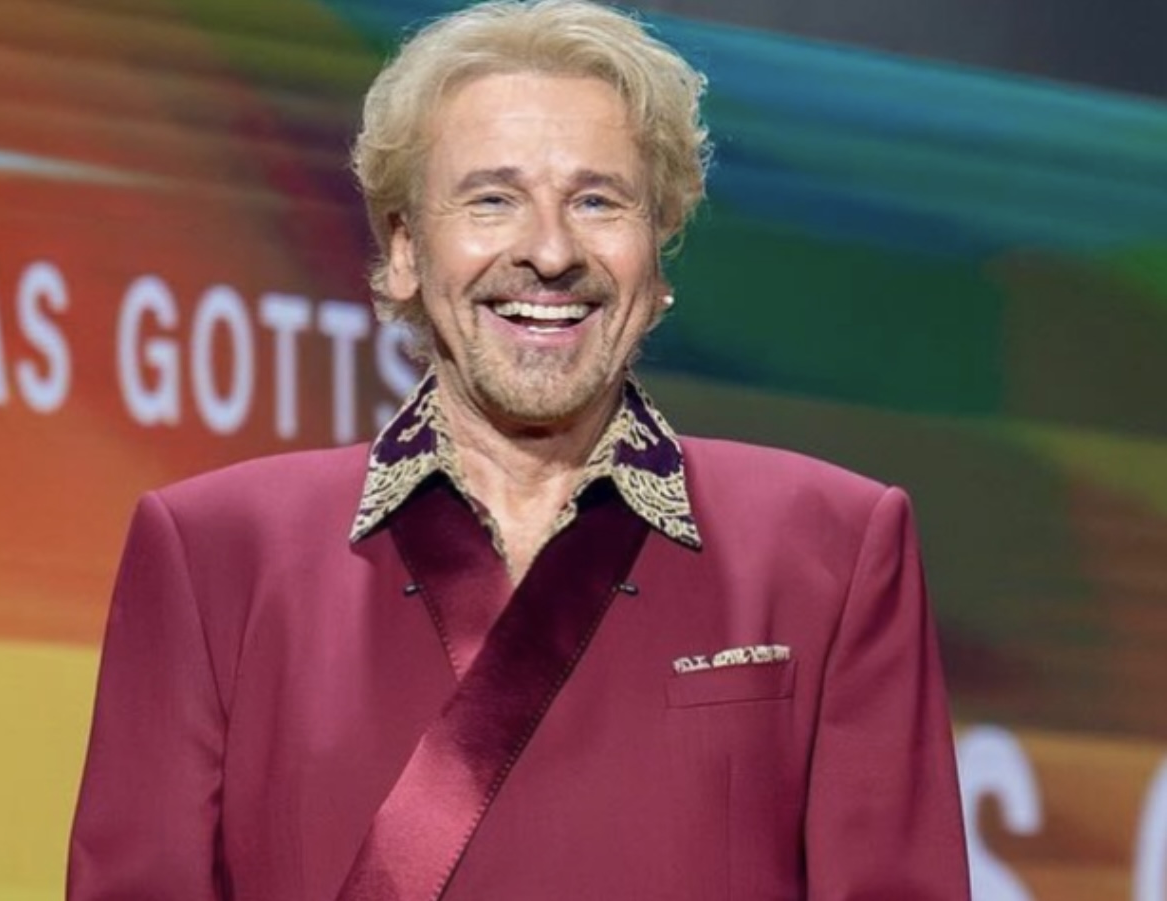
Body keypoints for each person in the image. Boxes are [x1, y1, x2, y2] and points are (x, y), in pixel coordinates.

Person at [67, 1, 971, 898]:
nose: (549, 250)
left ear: (657, 252)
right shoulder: (216, 553)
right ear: (406, 248)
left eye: (597, 201)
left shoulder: (832, 546)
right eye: (493, 199)